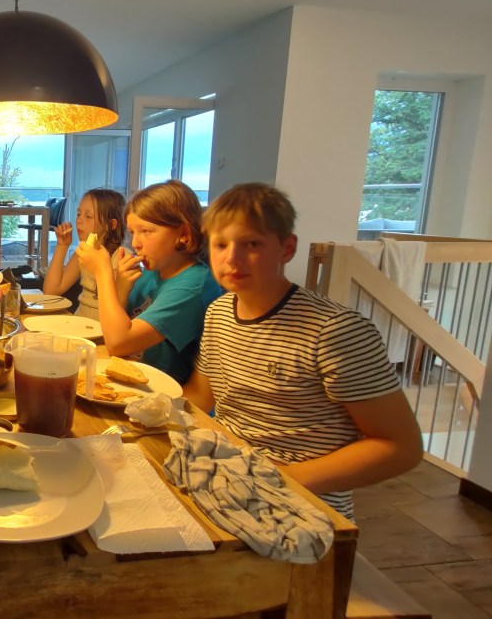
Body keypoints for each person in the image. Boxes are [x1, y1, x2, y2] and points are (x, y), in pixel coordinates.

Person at [184, 182, 423, 519]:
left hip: (302, 505)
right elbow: (201, 395)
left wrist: (277, 480)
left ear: (287, 248)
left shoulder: (335, 331)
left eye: (252, 244)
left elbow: (401, 447)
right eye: (221, 244)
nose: (232, 258)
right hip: (226, 479)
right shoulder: (219, 312)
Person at [76, 180, 222, 384]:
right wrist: (122, 287)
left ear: (184, 234)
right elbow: (109, 329)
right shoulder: (152, 273)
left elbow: (118, 342)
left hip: (163, 392)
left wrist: (103, 273)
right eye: (133, 232)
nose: (135, 243)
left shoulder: (194, 285)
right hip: (131, 377)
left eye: (146, 231)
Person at [42, 188, 126, 320]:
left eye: (88, 216)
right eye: (78, 214)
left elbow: (117, 313)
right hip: (79, 323)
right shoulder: (84, 252)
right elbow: (51, 291)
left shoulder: (120, 257)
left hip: (101, 329)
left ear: (111, 224)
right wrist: (62, 246)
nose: (79, 221)